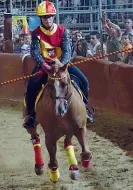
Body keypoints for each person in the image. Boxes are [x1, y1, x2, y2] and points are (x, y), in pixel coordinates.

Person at [23, 0, 93, 136]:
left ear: (53, 16)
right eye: (44, 17)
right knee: (32, 86)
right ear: (40, 18)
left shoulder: (63, 30)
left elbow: (67, 50)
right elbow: (35, 52)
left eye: (49, 16)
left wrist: (61, 65)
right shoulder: (36, 33)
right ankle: (31, 115)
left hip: (62, 66)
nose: (47, 19)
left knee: (84, 82)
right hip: (44, 66)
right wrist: (44, 65)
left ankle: (85, 109)